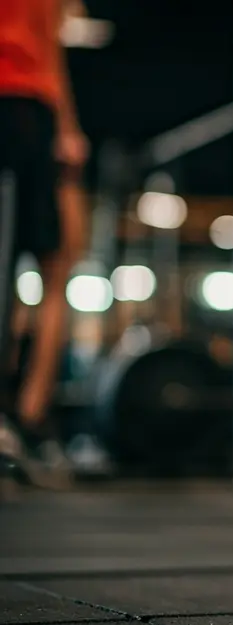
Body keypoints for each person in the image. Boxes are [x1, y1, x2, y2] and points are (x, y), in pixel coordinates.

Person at [0, 0, 89, 491]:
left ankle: (24, 418)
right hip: (27, 105)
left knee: (42, 267)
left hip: (28, 104)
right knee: (52, 268)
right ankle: (26, 416)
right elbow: (51, 46)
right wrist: (67, 127)